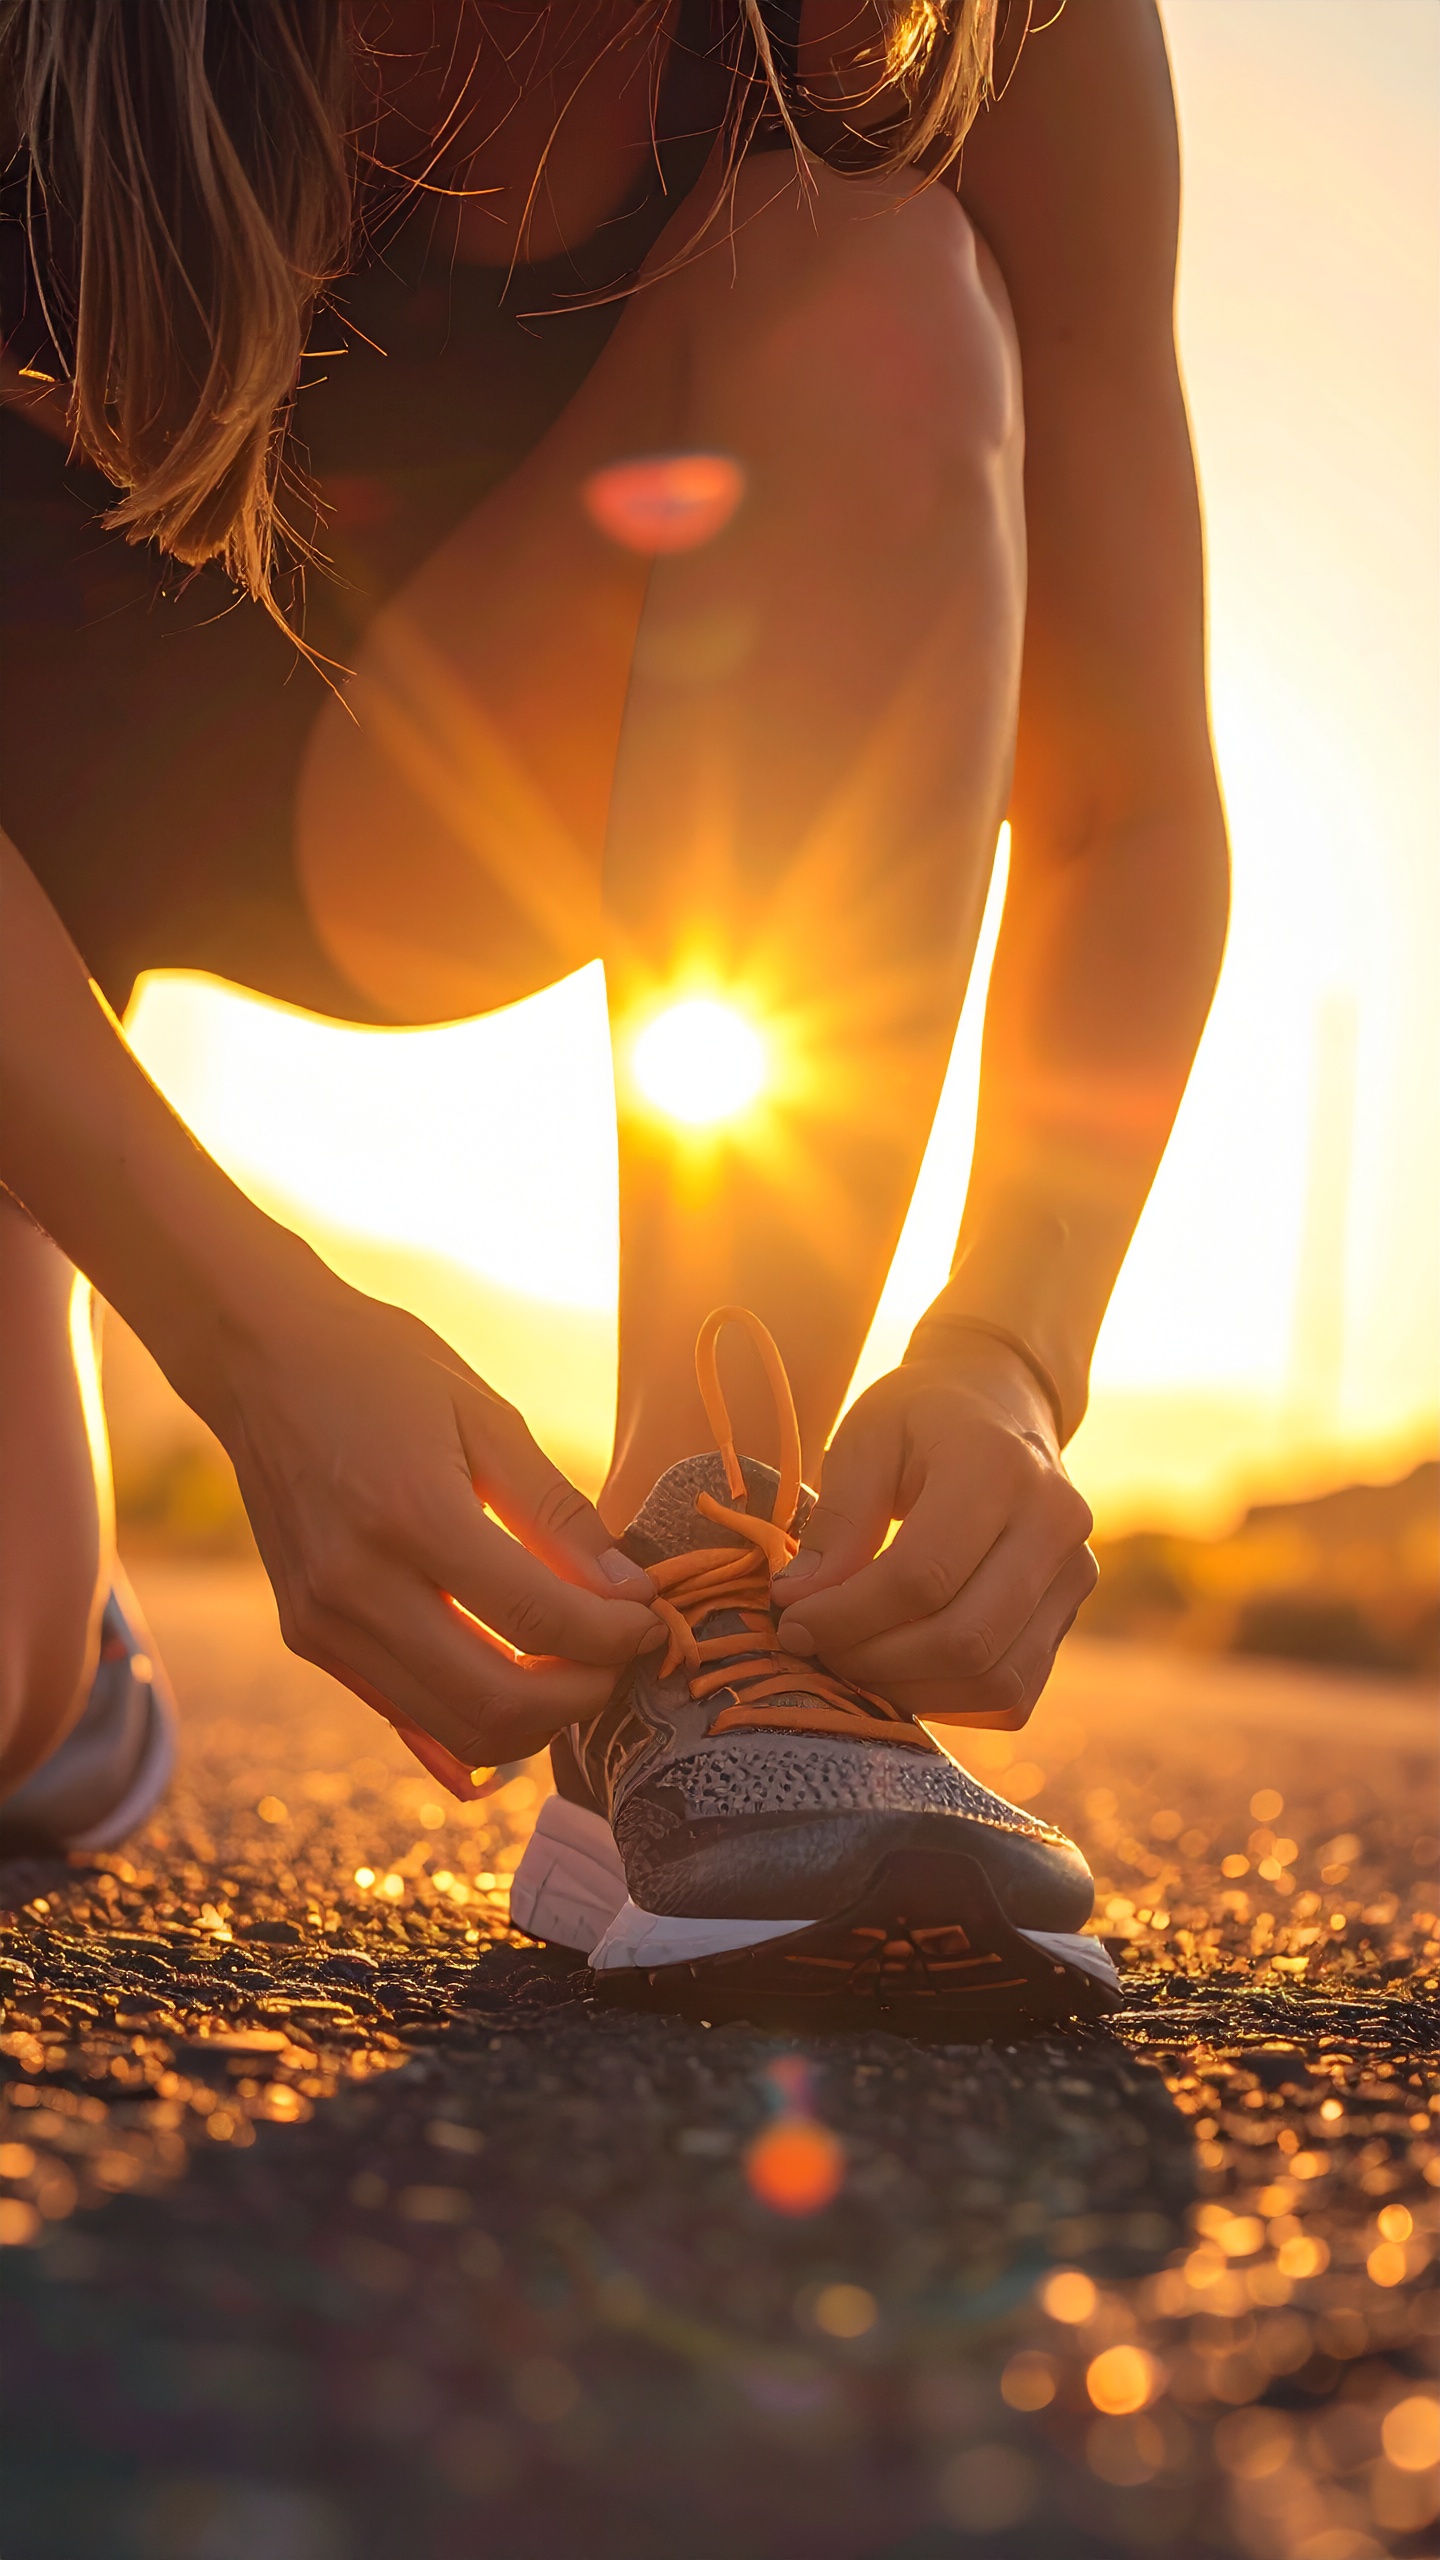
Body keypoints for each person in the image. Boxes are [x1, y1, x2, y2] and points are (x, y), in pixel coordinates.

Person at [0, 0, 1227, 2013]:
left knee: (882, 290)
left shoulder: (1010, 31)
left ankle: (705, 1603)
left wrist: (1014, 1341)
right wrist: (237, 1327)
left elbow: (1124, 803)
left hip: (432, 778)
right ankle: (54, 1641)